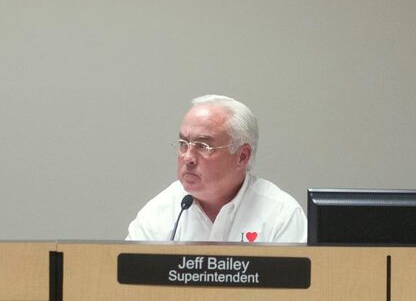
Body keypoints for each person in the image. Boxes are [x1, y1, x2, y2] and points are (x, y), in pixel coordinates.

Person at [126, 95, 306, 242]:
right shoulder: (159, 212)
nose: (188, 157)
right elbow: (125, 282)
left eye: (203, 146)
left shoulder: (281, 215)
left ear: (242, 156)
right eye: (183, 143)